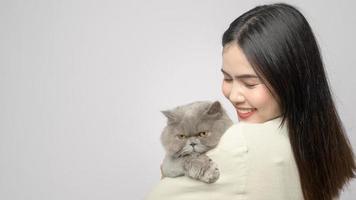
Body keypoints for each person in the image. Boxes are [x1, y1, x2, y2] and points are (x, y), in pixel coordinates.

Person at [146, 3, 355, 200]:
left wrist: (170, 167)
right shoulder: (316, 138)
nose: (234, 95)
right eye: (227, 78)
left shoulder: (240, 144)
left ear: (289, 80)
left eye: (250, 83)